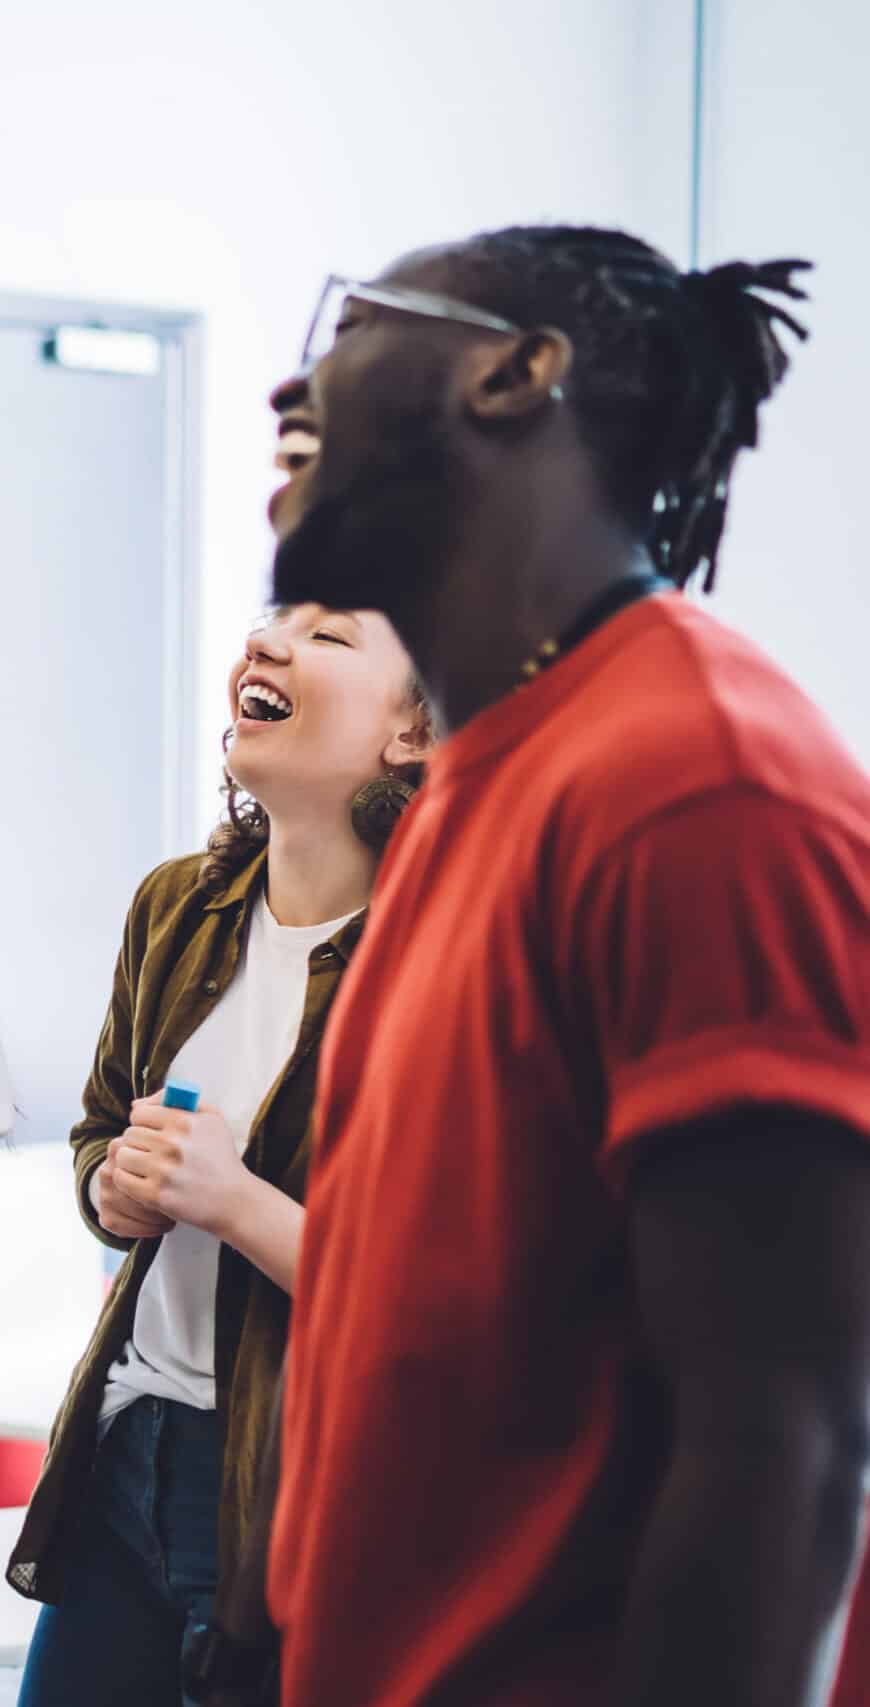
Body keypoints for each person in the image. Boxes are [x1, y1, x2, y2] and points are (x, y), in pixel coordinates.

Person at [261, 229, 870, 1707]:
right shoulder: (483, 785)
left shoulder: (697, 781)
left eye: (348, 324)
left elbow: (780, 1446)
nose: (294, 375)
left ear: (513, 372)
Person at [7, 591, 430, 1707]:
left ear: (416, 732)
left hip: (294, 1495)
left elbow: (431, 1299)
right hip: (120, 1454)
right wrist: (116, 1187)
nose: (266, 641)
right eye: (273, 617)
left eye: (329, 635)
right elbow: (103, 1129)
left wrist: (232, 1202)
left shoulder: (443, 967)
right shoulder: (177, 907)